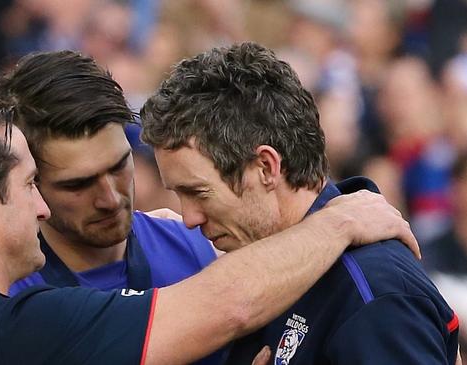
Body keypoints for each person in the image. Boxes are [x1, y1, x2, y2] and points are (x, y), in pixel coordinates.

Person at [0, 92, 418, 365]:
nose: (43, 210)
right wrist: (339, 217)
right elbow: (230, 305)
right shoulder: (20, 329)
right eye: (33, 185)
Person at [139, 41, 460, 365]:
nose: (189, 217)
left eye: (198, 192)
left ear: (266, 167)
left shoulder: (372, 290)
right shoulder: (256, 273)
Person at [0, 50, 217, 297]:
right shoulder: (1, 294)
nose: (110, 199)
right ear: (31, 183)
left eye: (118, 166)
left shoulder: (197, 249)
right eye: (79, 184)